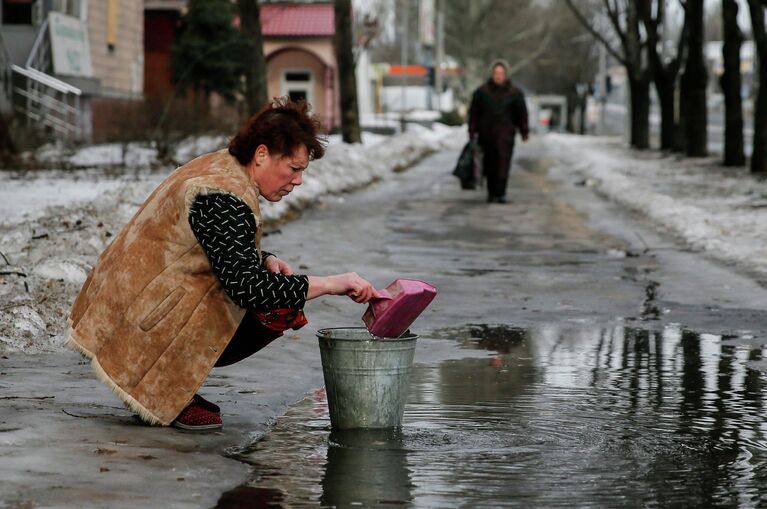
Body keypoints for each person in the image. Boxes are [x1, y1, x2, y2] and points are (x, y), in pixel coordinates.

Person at [66, 98, 377, 431]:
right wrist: (331, 284)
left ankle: (172, 379)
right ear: (262, 155)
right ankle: (161, 385)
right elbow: (247, 288)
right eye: (294, 168)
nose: (298, 180)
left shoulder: (220, 168)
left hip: (129, 300)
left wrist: (264, 258)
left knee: (269, 291)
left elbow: (203, 245)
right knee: (273, 306)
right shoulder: (223, 196)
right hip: (142, 316)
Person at [468, 59, 529, 204]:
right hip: (486, 134)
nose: (498, 76)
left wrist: (524, 131)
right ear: (492, 74)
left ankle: (501, 193)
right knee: (489, 164)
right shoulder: (482, 92)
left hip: (505, 135)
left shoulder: (514, 93)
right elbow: (474, 114)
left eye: (501, 73)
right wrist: (472, 131)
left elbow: (522, 114)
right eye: (496, 73)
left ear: (506, 74)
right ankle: (491, 192)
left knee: (503, 163)